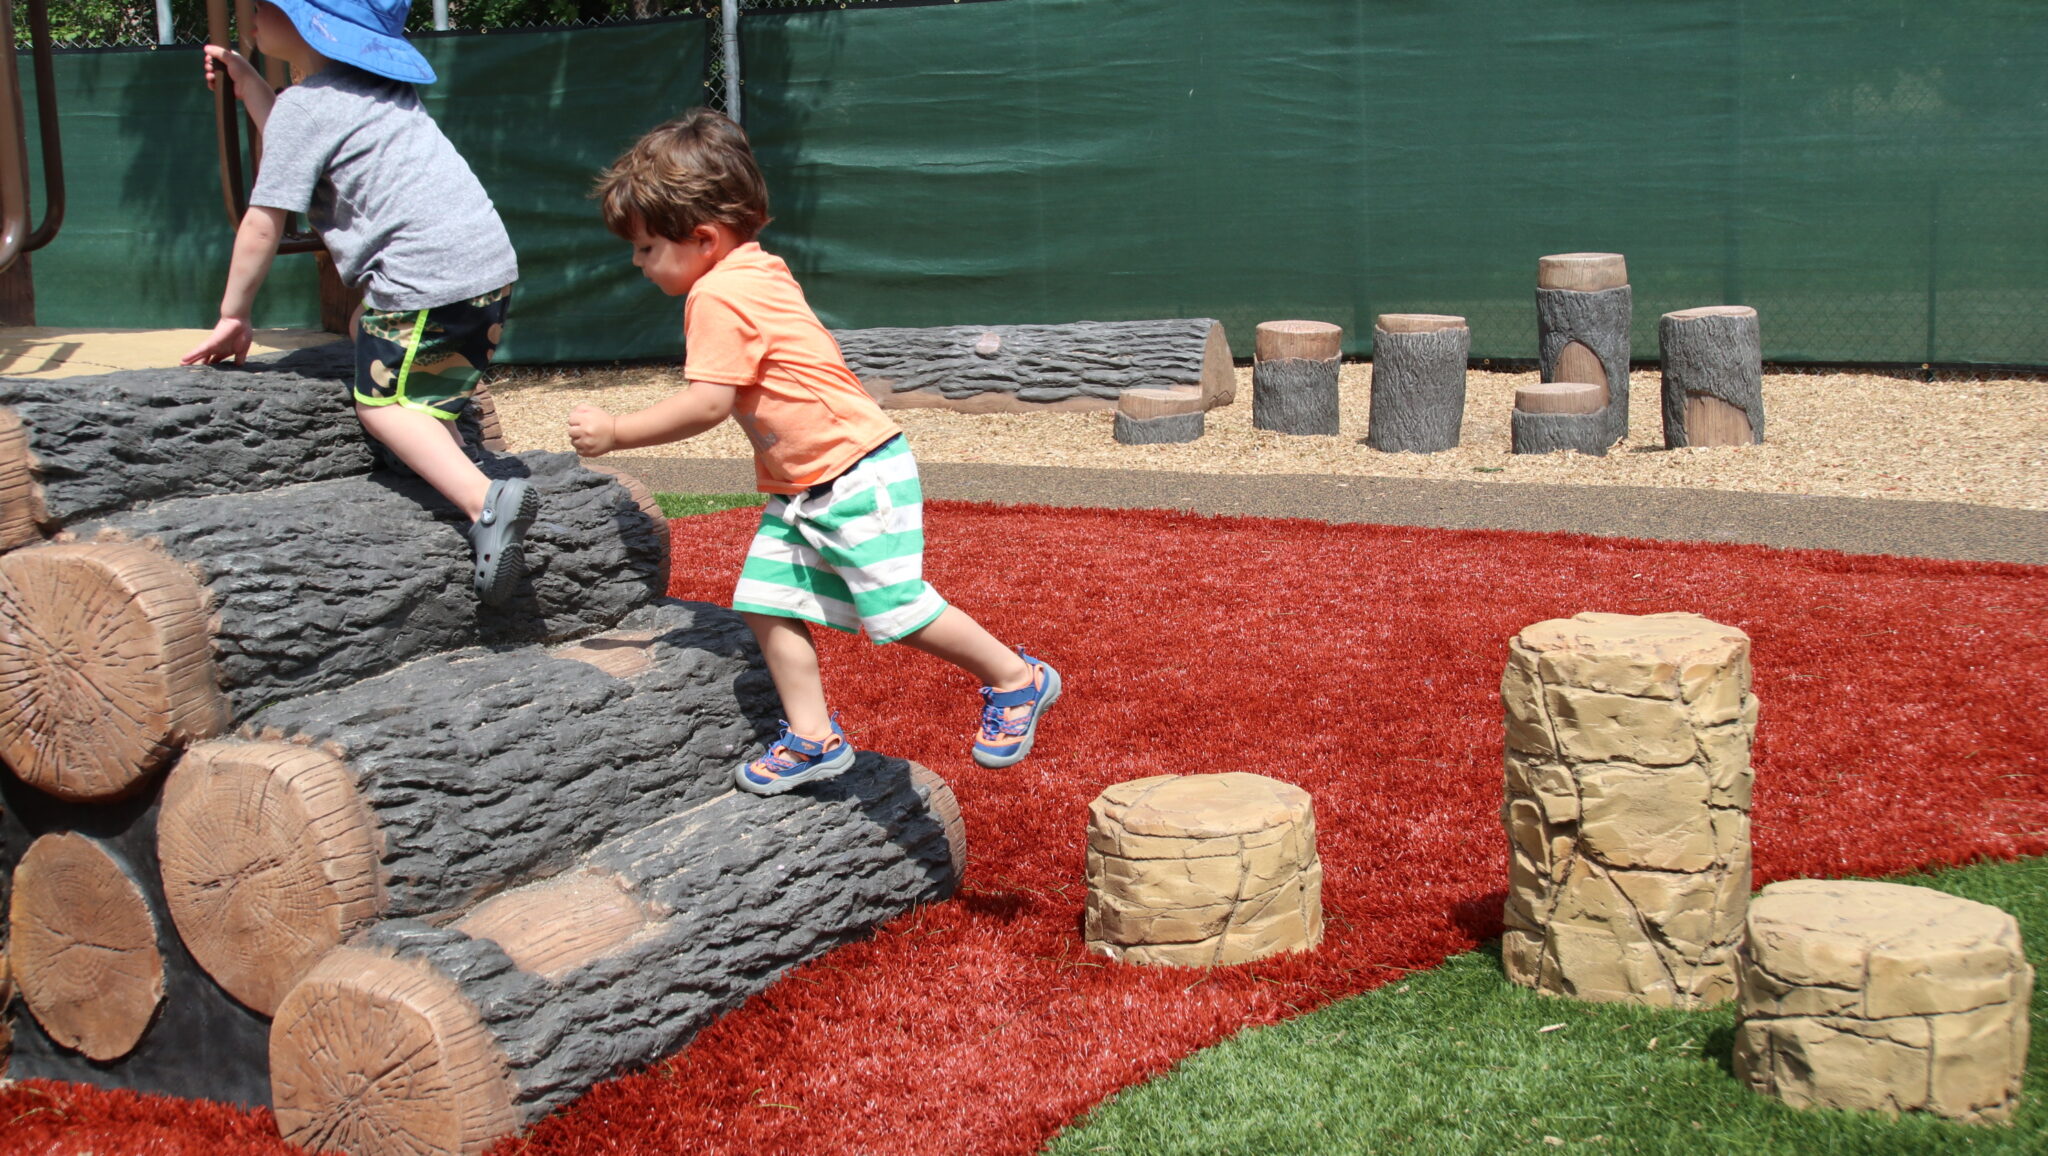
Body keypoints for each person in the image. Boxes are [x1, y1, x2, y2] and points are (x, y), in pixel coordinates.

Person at [569, 109, 1060, 796]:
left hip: (852, 473)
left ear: (703, 239)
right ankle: (812, 736)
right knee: (767, 601)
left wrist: (617, 431)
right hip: (808, 483)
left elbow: (709, 404)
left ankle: (1016, 676)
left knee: (895, 609)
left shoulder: (716, 295)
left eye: (648, 248)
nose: (638, 263)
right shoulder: (755, 268)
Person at [182, 0, 536, 606]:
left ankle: (486, 503)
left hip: (424, 279)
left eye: (266, 6)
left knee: (380, 406)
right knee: (374, 338)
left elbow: (264, 222)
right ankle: (445, 455)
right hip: (484, 271)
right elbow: (300, 138)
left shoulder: (305, 107)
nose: (254, 13)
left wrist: (234, 314)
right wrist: (252, 85)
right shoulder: (376, 90)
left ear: (311, 25)